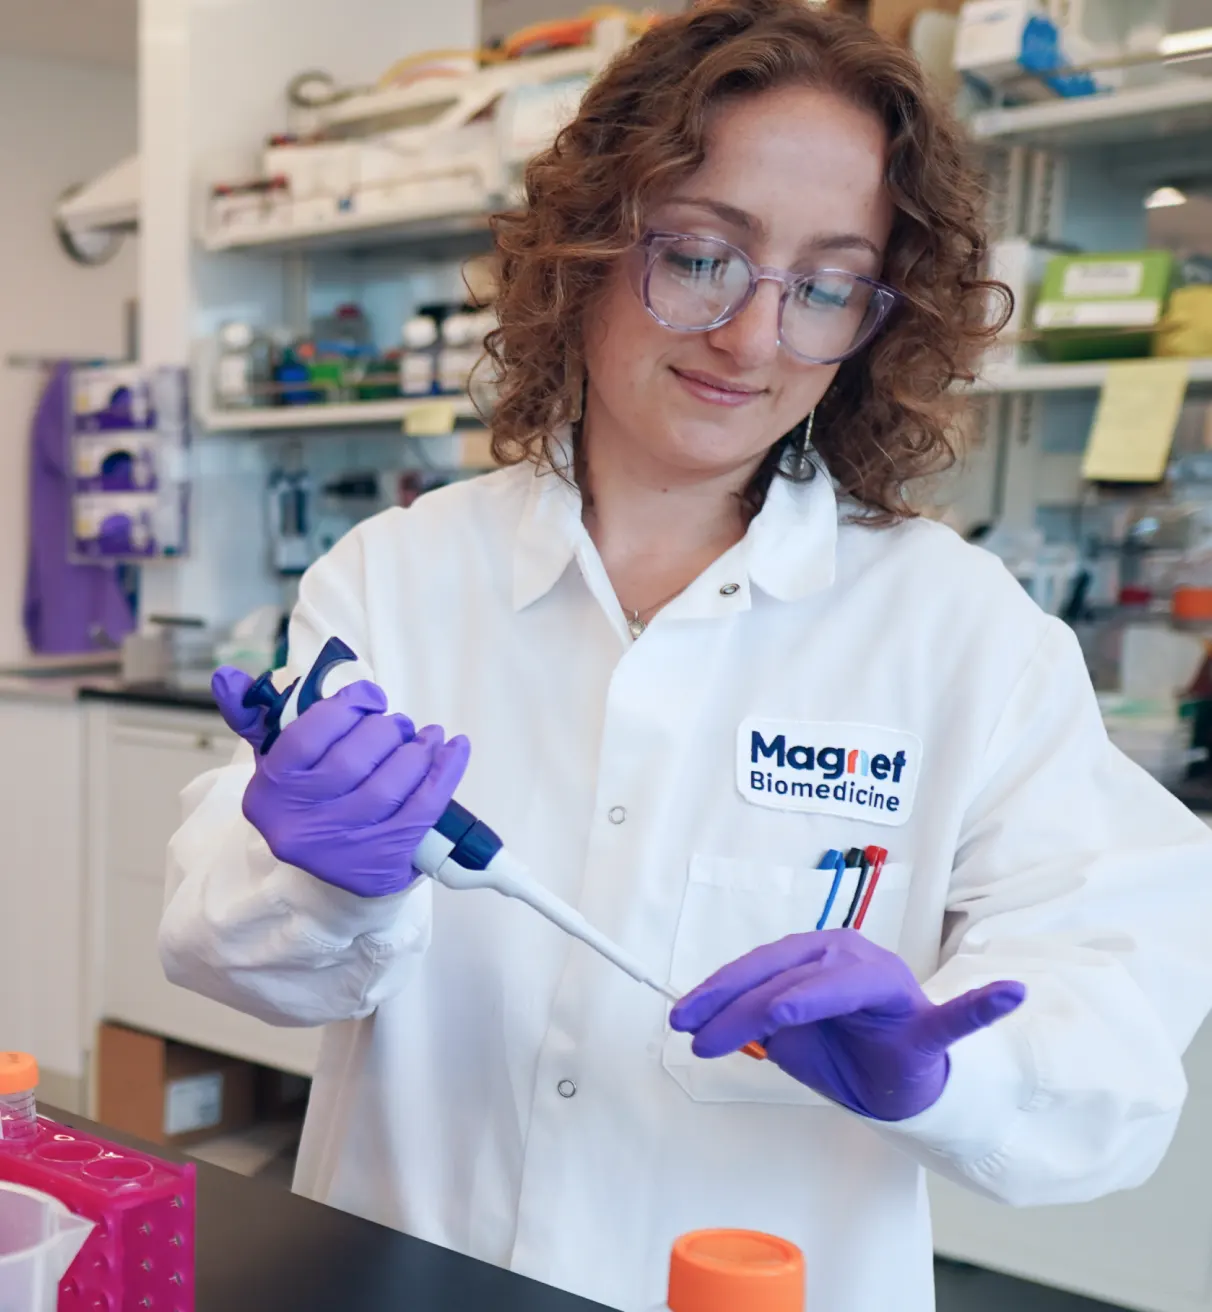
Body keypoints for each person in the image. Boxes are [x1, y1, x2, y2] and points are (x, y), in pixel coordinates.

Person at [160, 3, 1212, 1309]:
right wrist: (311, 872)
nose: (754, 337)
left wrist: (949, 1069)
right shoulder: (399, 580)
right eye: (705, 255)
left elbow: (1114, 1026)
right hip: (403, 1279)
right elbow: (224, 950)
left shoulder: (963, 634)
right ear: (588, 246)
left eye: (826, 285)